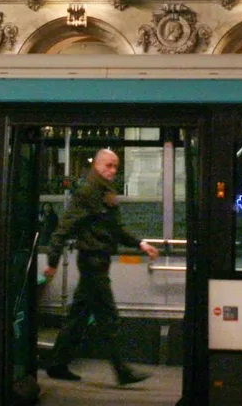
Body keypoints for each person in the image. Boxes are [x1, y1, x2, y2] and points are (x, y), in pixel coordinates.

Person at [42, 149, 159, 386]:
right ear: (96, 165)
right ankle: (121, 370)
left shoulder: (104, 192)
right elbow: (63, 229)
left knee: (78, 316)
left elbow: (115, 229)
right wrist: (52, 262)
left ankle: (57, 363)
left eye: (116, 166)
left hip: (98, 262)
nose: (112, 170)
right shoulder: (87, 192)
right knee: (108, 317)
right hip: (92, 263)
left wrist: (140, 243)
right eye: (108, 165)